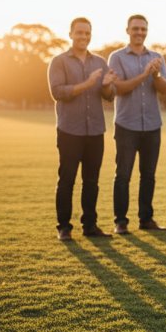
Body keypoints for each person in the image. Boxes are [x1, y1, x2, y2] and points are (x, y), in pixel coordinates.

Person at [47, 17, 118, 241]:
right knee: (67, 179)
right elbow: (57, 92)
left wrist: (106, 85)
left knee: (92, 181)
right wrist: (86, 85)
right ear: (70, 34)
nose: (83, 37)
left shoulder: (100, 62)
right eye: (79, 33)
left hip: (95, 130)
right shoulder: (59, 62)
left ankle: (90, 226)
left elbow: (109, 96)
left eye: (87, 33)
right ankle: (64, 227)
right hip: (70, 130)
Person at [108, 14, 166, 234]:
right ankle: (120, 222)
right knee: (123, 174)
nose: (140, 33)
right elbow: (120, 88)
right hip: (126, 125)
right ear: (127, 31)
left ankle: (146, 219)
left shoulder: (157, 57)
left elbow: (164, 90)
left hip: (152, 124)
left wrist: (155, 75)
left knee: (149, 175)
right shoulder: (116, 57)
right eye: (135, 29)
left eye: (143, 29)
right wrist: (145, 73)